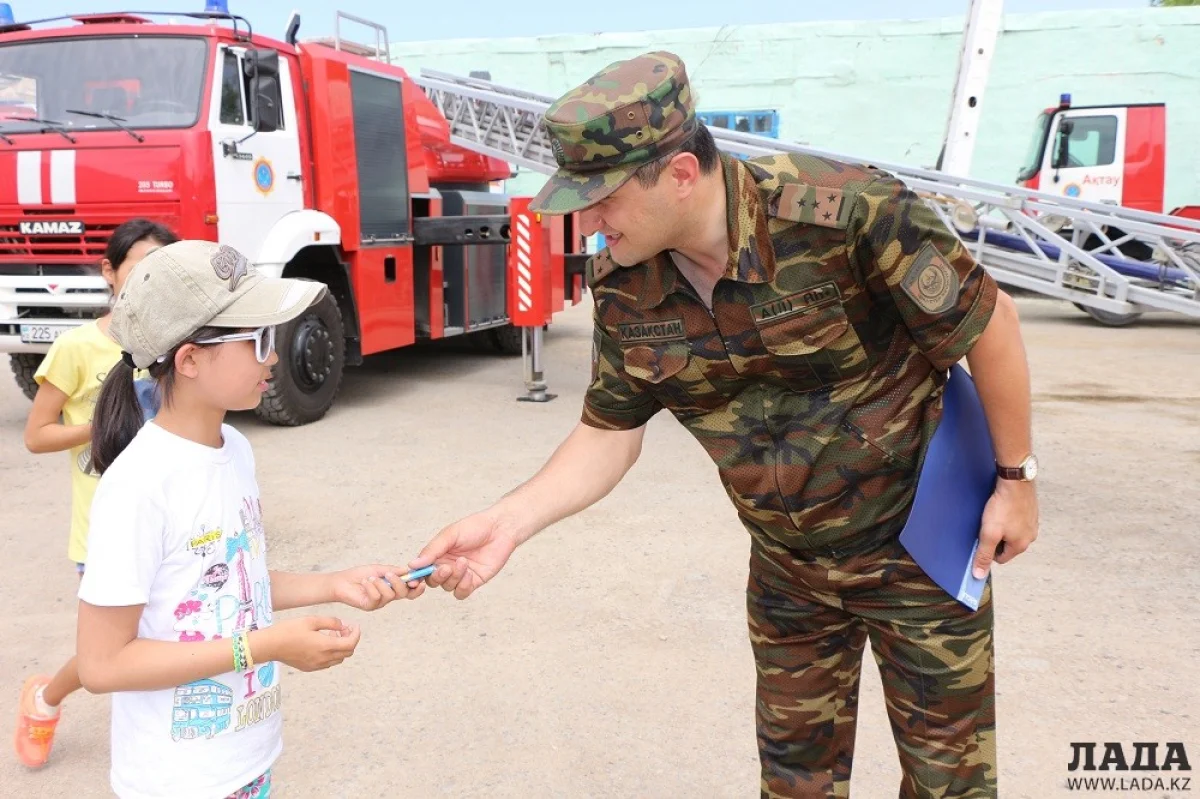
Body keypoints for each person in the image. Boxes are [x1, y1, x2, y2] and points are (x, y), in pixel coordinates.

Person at [410, 51, 1039, 798]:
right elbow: (611, 429)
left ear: (679, 174)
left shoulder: (845, 215)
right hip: (789, 573)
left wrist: (1015, 478)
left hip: (919, 555)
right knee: (796, 782)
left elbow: (987, 321)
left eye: (603, 197)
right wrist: (508, 521)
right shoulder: (625, 285)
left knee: (951, 783)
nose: (586, 220)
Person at [71, 239, 426, 799]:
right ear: (188, 360)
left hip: (245, 760)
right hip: (178, 780)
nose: (275, 357)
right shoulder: (138, 486)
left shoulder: (232, 447)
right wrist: (265, 647)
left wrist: (335, 584)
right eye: (259, 340)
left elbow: (229, 577)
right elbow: (101, 664)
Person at [15, 218, 177, 769]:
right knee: (110, 655)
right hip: (103, 534)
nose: (152, 278)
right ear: (109, 271)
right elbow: (37, 436)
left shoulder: (179, 344)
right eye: (140, 265)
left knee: (172, 638)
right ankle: (45, 696)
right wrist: (105, 424)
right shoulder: (77, 346)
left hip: (173, 525)